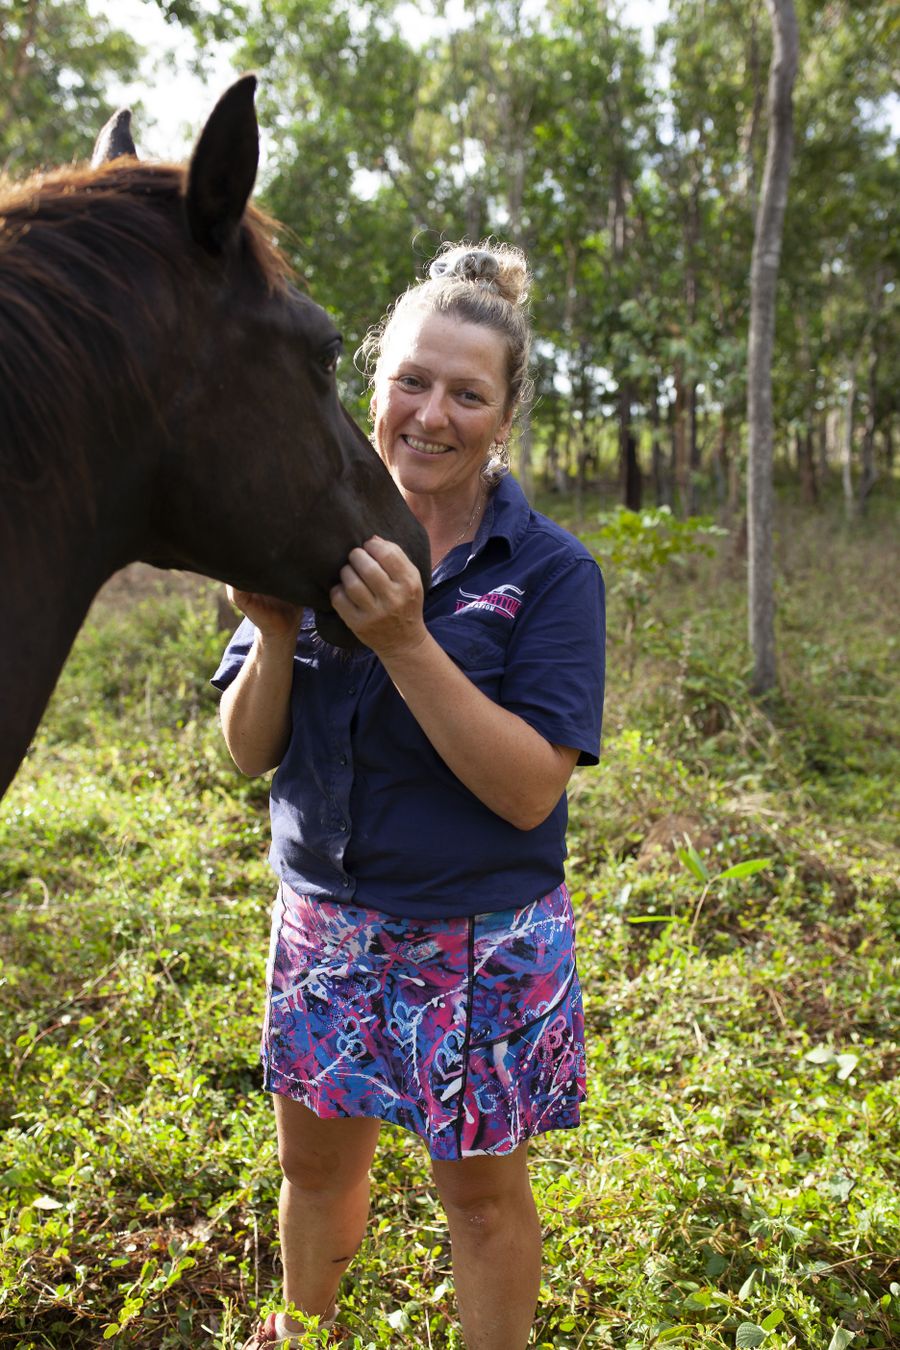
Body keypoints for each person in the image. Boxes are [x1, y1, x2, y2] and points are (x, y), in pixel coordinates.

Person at [213, 241, 605, 1350]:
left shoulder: (548, 573)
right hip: (324, 926)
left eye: (467, 393)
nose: (432, 414)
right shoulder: (305, 535)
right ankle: (303, 1330)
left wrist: (402, 640)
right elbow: (248, 751)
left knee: (478, 1200)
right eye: (412, 381)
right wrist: (280, 631)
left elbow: (531, 791)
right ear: (374, 384)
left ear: (504, 414)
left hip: (476, 941)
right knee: (312, 1169)